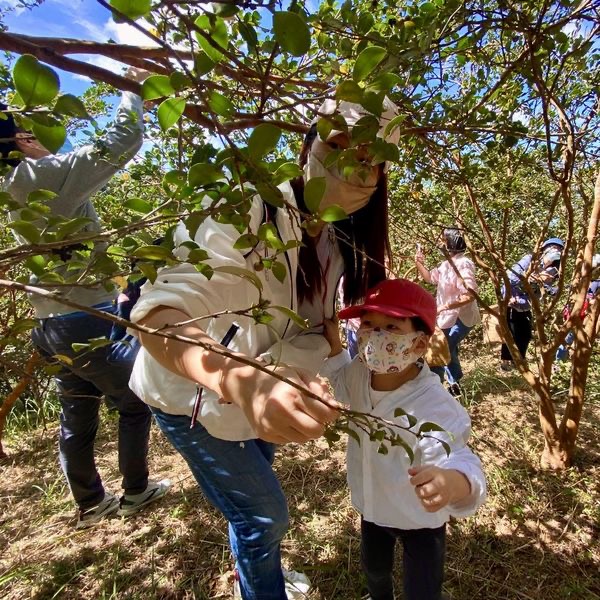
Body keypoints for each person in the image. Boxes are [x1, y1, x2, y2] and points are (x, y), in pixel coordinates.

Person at [127, 97, 400, 599]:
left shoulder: (338, 237)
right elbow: (160, 315)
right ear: (311, 143)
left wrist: (352, 371)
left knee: (253, 511)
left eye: (369, 158)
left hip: (272, 384)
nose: (352, 166)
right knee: (264, 515)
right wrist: (240, 379)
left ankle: (250, 572)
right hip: (188, 394)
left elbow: (319, 322)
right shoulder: (247, 208)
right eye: (339, 144)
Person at [0, 68, 170, 529]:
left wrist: (46, 156)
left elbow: (68, 199)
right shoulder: (40, 174)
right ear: (19, 136)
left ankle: (92, 502)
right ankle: (136, 491)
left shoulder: (14, 188)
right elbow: (118, 145)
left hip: (48, 325)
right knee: (134, 401)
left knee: (77, 412)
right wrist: (131, 91)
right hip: (85, 317)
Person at [321, 278, 486, 600]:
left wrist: (453, 482)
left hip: (420, 518)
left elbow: (460, 456)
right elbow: (343, 385)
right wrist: (335, 349)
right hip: (372, 506)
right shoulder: (359, 370)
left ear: (420, 344)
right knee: (375, 570)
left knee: (422, 587)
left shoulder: (435, 403)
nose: (374, 336)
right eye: (368, 324)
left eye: (391, 327)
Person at [415, 228, 480, 396]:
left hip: (460, 318)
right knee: (449, 350)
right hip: (446, 319)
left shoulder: (463, 263)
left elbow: (470, 294)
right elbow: (430, 278)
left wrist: (445, 307)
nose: (440, 243)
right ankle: (454, 385)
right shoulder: (446, 265)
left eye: (443, 241)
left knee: (439, 350)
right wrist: (419, 263)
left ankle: (436, 390)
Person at [500, 237, 564, 370]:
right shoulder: (529, 260)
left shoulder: (554, 270)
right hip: (511, 301)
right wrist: (530, 277)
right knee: (509, 333)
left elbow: (540, 292)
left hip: (524, 304)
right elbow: (510, 276)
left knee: (525, 335)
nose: (555, 251)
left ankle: (519, 361)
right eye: (553, 248)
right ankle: (505, 362)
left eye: (558, 249)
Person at [556, 253, 600, 361]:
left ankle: (564, 361)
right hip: (577, 313)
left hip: (584, 315)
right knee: (568, 337)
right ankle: (559, 362)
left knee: (575, 338)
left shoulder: (596, 283)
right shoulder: (583, 279)